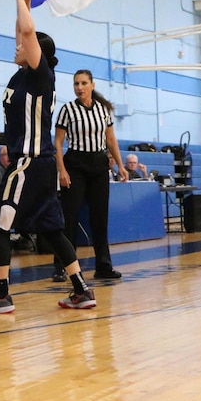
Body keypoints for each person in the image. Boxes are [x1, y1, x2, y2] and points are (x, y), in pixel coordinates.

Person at [0, 0, 96, 314]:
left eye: (25, 44)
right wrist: (17, 7)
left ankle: (0, 295)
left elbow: (27, 32)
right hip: (38, 164)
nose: (18, 44)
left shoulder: (41, 76)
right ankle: (82, 290)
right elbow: (21, 32)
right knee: (52, 229)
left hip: (29, 163)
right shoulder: (22, 74)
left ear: (37, 52)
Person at [54, 68, 128, 280]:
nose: (79, 87)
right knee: (70, 217)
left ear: (92, 85)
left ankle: (103, 266)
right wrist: (62, 170)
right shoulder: (67, 110)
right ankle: (62, 266)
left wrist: (121, 166)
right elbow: (58, 142)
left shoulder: (103, 111)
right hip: (75, 164)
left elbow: (111, 139)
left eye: (83, 83)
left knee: (99, 218)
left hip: (98, 165)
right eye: (76, 84)